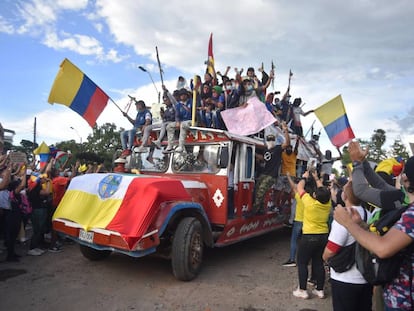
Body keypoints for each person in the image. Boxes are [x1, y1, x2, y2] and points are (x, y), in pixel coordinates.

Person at [334, 141, 414, 311]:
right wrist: (362, 163)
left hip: (403, 299)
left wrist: (348, 223)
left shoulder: (403, 203)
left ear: (405, 178)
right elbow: (379, 184)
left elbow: (361, 191)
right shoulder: (400, 198)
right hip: (396, 286)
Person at [323, 180, 373, 311]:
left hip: (344, 279)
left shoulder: (343, 217)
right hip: (366, 276)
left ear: (344, 196)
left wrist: (324, 257)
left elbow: (332, 249)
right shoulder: (368, 214)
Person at [293, 170, 331, 299]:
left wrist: (304, 177)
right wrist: (316, 178)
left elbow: (299, 187)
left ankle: (302, 290)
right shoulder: (327, 203)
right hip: (323, 236)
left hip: (309, 236)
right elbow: (323, 191)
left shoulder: (309, 202)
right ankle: (319, 290)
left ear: (314, 195)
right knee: (318, 262)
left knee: (302, 262)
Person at [253, 122, 290, 214]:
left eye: (272, 139)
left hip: (272, 175)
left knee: (261, 191)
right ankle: (261, 209)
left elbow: (287, 144)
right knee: (257, 188)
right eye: (269, 139)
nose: (270, 141)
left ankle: (254, 210)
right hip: (264, 173)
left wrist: (285, 130)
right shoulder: (266, 150)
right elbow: (263, 158)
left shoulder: (277, 149)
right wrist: (253, 153)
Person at [282, 173, 304, 267]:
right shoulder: (311, 198)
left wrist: (288, 176)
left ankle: (292, 259)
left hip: (298, 220)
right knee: (304, 241)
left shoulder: (300, 197)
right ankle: (305, 259)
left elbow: (293, 187)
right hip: (308, 222)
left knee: (294, 240)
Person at [165, 88, 193, 153]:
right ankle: (170, 145)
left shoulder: (191, 102)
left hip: (191, 120)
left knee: (183, 125)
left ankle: (181, 145)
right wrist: (177, 122)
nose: (183, 96)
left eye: (184, 95)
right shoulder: (178, 105)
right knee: (169, 126)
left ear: (186, 95)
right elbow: (177, 115)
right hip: (182, 121)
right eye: (181, 95)